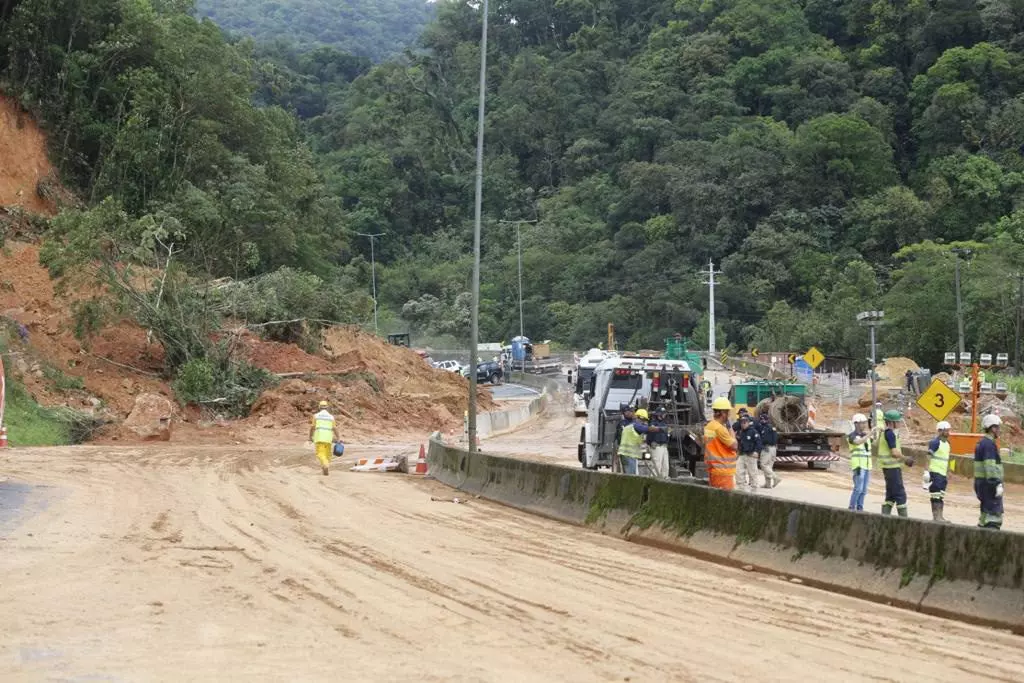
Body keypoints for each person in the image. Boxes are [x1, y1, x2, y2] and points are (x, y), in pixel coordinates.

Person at [974, 414, 1005, 529]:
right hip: (989, 485)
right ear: (992, 428)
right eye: (998, 427)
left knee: (985, 514)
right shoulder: (989, 445)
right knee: (993, 517)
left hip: (982, 483)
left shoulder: (982, 443)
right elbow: (990, 467)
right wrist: (996, 483)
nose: (999, 430)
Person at [878, 409, 910, 516]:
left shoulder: (886, 433)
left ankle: (885, 517)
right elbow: (894, 452)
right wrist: (905, 459)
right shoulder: (890, 434)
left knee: (891, 495)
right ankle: (904, 520)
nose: (900, 423)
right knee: (900, 494)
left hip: (888, 468)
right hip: (892, 468)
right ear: (892, 422)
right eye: (898, 421)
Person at [704, 397, 738, 490]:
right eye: (728, 412)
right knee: (726, 502)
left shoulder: (709, 426)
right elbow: (735, 446)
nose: (729, 414)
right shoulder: (720, 429)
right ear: (723, 413)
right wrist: (730, 428)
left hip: (713, 469)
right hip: (723, 471)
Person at [923, 421, 952, 522]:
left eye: (949, 430)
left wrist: (949, 471)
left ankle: (940, 516)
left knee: (941, 496)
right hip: (935, 473)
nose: (948, 433)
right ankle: (936, 517)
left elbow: (948, 458)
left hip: (943, 474)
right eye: (946, 430)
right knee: (935, 496)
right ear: (940, 431)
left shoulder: (948, 444)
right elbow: (928, 456)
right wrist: (926, 471)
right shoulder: (935, 442)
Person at [308, 400, 341, 476]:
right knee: (327, 454)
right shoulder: (331, 417)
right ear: (327, 407)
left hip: (319, 438)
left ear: (319, 407)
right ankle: (325, 467)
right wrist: (338, 438)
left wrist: (310, 437)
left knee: (320, 453)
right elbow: (335, 428)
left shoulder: (316, 416)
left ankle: (325, 465)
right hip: (328, 439)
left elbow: (312, 427)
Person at [847, 413, 872, 511]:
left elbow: (874, 441)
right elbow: (858, 442)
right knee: (858, 488)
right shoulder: (852, 436)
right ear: (856, 424)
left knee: (864, 490)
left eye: (865, 423)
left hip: (866, 466)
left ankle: (860, 508)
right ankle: (852, 507)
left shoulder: (865, 435)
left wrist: (876, 431)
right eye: (862, 423)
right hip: (858, 466)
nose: (864, 425)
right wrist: (870, 434)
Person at [735, 415, 762, 493]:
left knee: (752, 473)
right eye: (741, 423)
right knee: (738, 471)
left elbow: (759, 443)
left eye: (744, 422)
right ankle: (741, 488)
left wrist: (756, 452)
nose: (743, 424)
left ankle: (754, 489)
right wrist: (738, 452)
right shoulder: (740, 432)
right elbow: (739, 443)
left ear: (748, 423)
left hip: (751, 455)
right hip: (742, 454)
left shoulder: (753, 431)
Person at [618, 408, 648, 476]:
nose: (644, 422)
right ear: (639, 418)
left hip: (628, 454)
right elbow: (646, 429)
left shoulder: (630, 425)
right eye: (644, 420)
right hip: (629, 454)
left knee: (630, 474)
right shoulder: (635, 426)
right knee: (631, 475)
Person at [646, 408, 671, 478]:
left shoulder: (664, 423)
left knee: (665, 466)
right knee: (657, 466)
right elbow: (649, 437)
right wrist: (650, 443)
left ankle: (664, 481)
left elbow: (667, 435)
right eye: (663, 413)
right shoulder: (653, 424)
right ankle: (654, 481)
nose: (665, 415)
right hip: (656, 447)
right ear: (659, 414)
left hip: (664, 447)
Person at [758, 413, 780, 489]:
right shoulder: (772, 427)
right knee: (769, 467)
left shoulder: (766, 428)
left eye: (762, 419)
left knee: (763, 465)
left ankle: (775, 477)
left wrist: (761, 444)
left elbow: (765, 439)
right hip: (773, 449)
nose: (761, 421)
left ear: (766, 420)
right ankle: (768, 484)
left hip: (767, 448)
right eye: (761, 419)